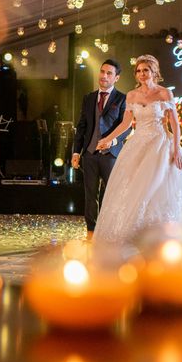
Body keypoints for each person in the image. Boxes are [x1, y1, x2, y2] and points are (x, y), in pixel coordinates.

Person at [93, 55, 182, 244]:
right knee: (133, 188)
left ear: (154, 71)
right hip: (138, 144)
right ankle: (134, 234)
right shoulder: (132, 95)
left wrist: (176, 149)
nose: (142, 74)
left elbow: (175, 124)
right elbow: (126, 123)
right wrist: (107, 138)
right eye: (138, 70)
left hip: (161, 143)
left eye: (145, 70)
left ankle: (164, 235)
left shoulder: (165, 94)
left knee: (158, 186)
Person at [72, 59, 129, 236]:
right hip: (89, 154)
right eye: (102, 72)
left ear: (117, 77)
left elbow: (127, 128)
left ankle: (111, 230)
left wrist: (113, 141)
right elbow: (81, 126)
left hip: (111, 155)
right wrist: (76, 152)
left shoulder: (123, 99)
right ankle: (91, 230)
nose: (104, 76)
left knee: (112, 194)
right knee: (90, 195)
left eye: (109, 73)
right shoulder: (89, 98)